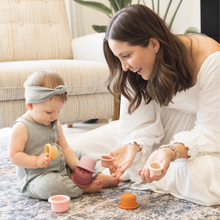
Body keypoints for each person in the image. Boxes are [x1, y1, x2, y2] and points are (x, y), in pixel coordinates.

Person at [66, 4, 220, 206]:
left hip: (202, 137)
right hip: (157, 130)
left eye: (127, 55)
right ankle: (138, 171)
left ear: (154, 43)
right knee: (72, 150)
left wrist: (169, 151)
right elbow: (136, 124)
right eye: (118, 57)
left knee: (201, 178)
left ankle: (136, 173)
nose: (124, 67)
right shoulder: (132, 70)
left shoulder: (211, 60)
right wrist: (133, 146)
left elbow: (212, 132)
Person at [8, 70, 121, 200]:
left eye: (58, 111)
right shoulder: (22, 127)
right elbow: (13, 155)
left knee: (79, 154)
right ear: (30, 105)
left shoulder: (54, 122)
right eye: (49, 111)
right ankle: (82, 188)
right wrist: (36, 161)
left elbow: (65, 148)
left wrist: (76, 166)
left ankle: (94, 176)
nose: (55, 116)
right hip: (38, 177)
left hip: (61, 167)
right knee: (50, 187)